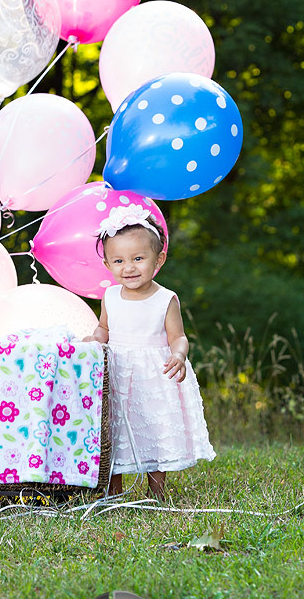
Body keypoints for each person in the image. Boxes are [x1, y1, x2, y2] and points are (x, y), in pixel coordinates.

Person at [84, 203, 215, 500]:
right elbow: (105, 328)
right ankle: (112, 492)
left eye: (138, 258)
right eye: (118, 261)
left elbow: (178, 337)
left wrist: (179, 355)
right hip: (117, 374)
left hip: (153, 376)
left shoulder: (165, 299)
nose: (128, 267)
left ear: (159, 259)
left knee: (155, 428)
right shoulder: (111, 296)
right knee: (113, 431)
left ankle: (156, 491)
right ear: (107, 265)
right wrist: (95, 338)